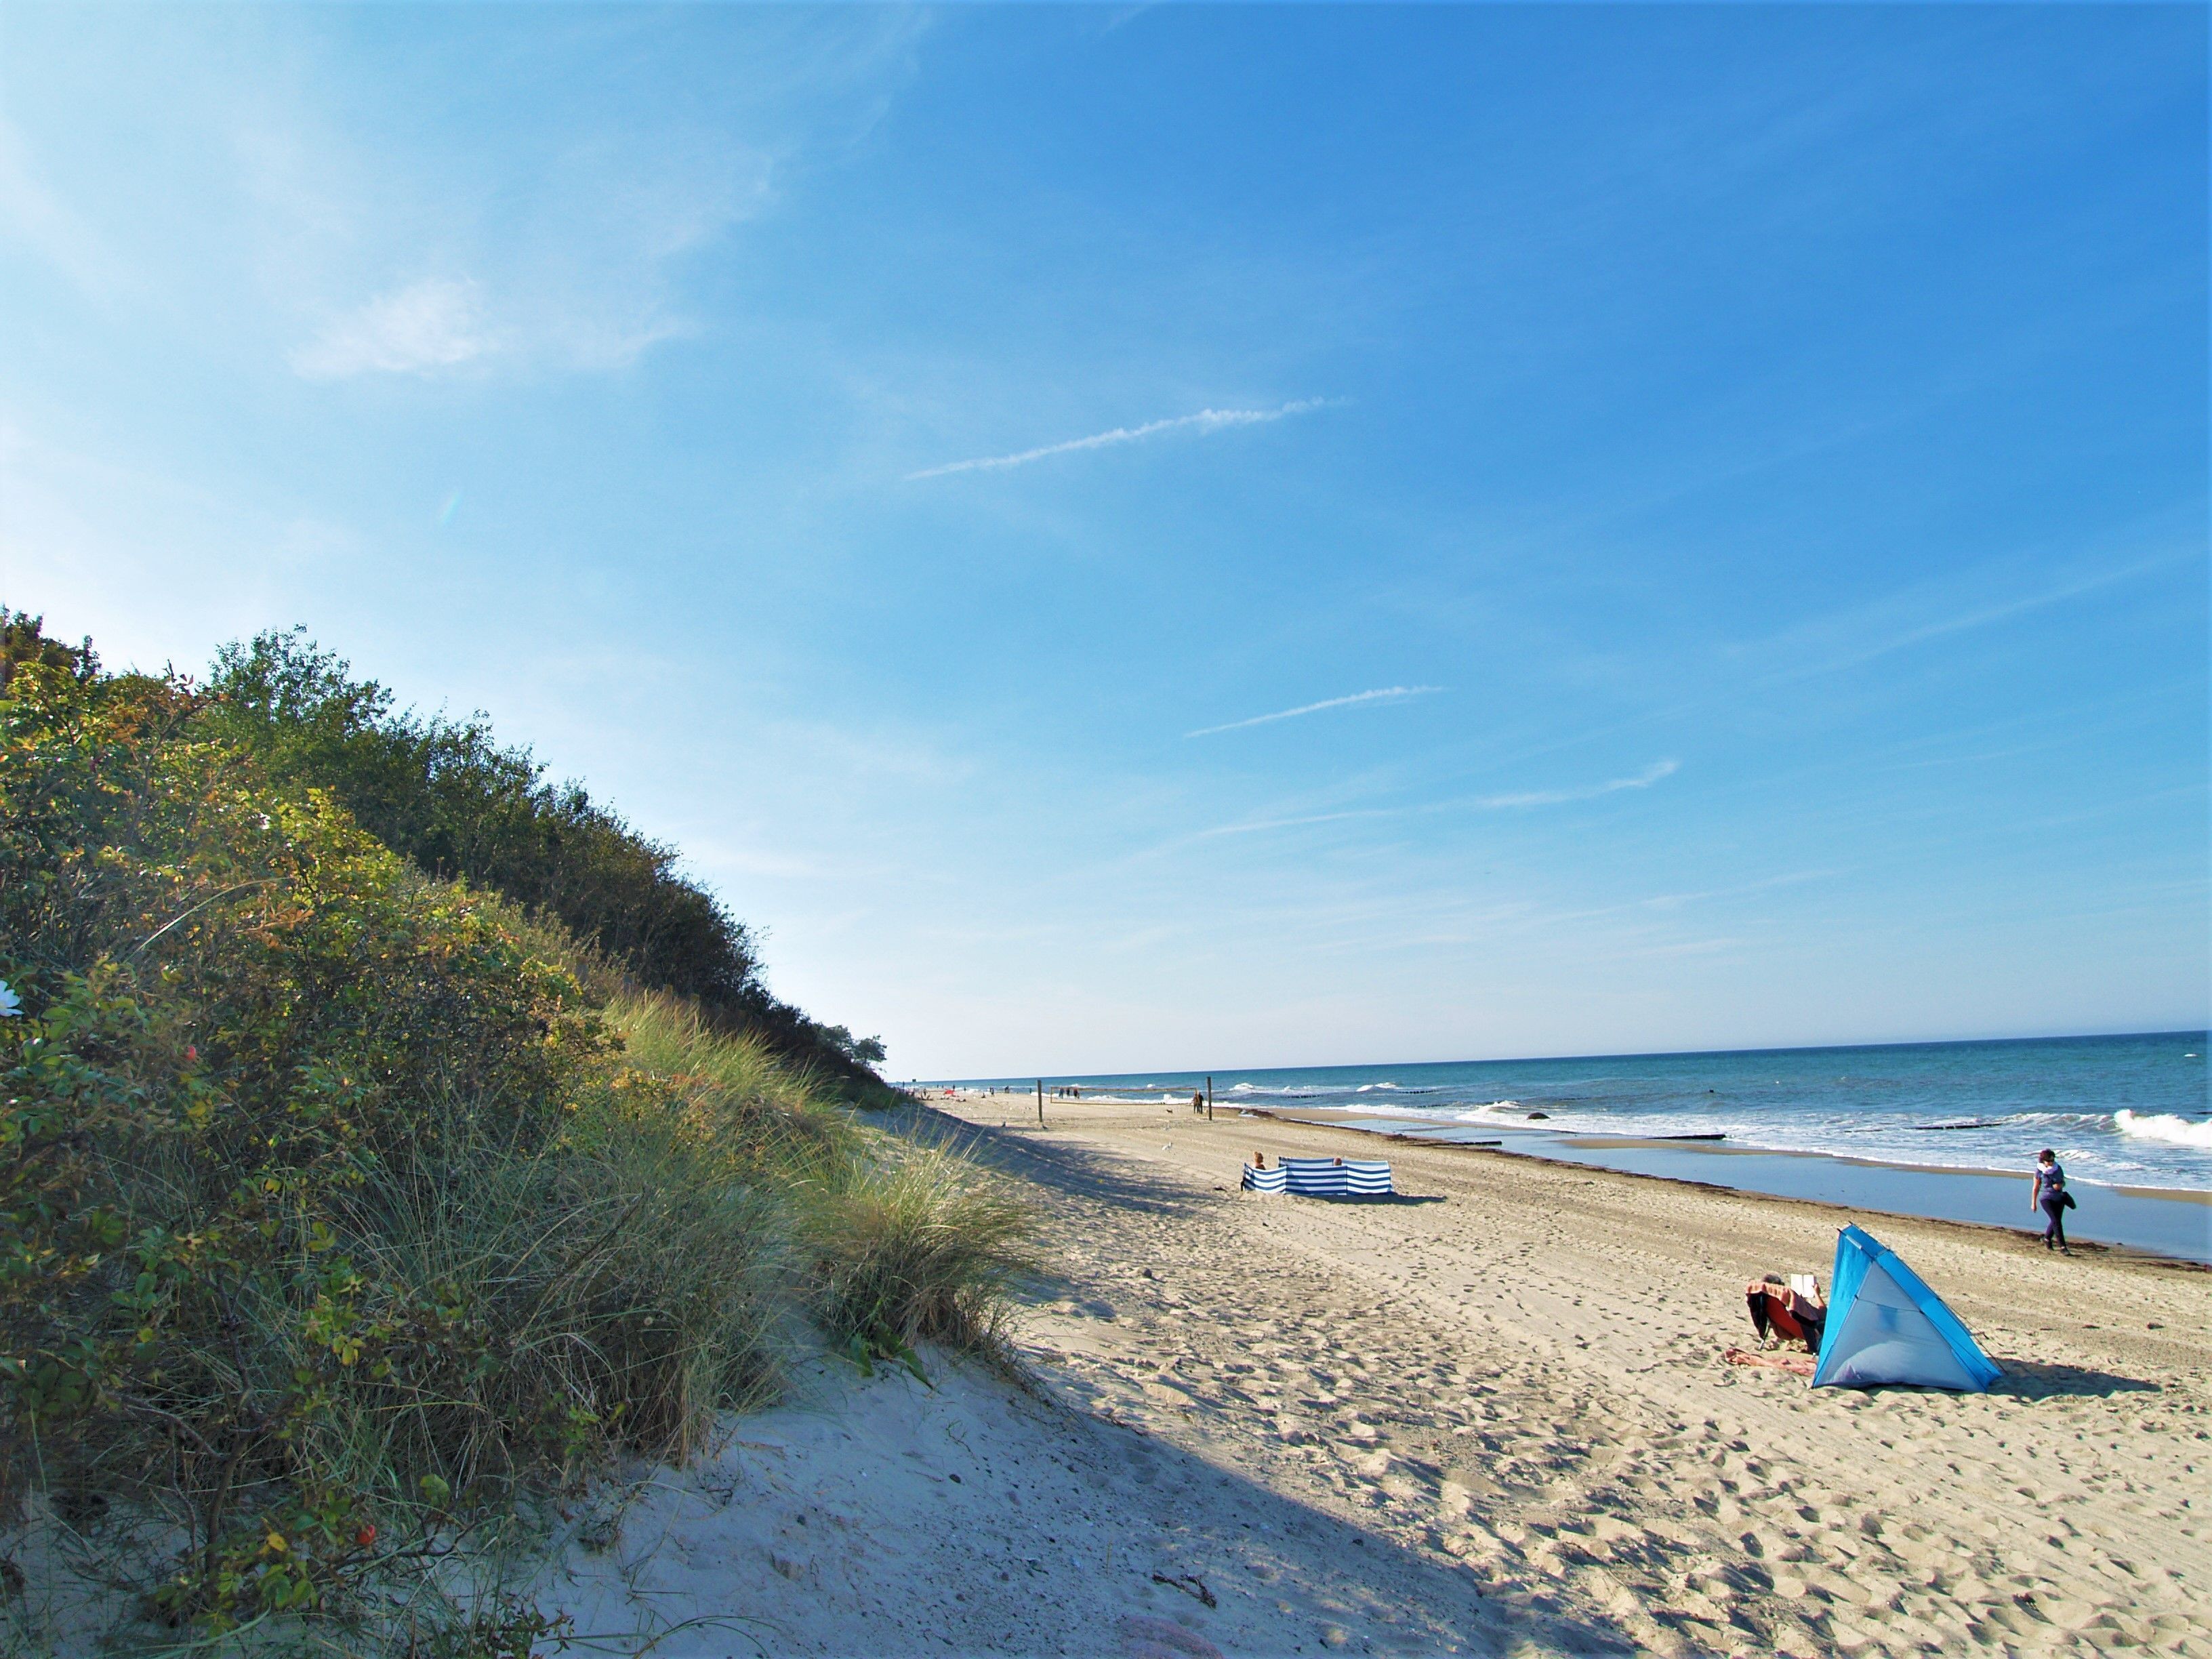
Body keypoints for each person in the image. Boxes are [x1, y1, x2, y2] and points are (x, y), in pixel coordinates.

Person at [2032, 1148, 2073, 1254]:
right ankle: (2063, 1247)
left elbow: (2063, 1182)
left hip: (2059, 1197)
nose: (2051, 1163)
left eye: (2052, 1160)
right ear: (2043, 1161)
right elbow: (2036, 1187)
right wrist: (2033, 1203)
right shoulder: (2039, 1171)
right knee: (2057, 1221)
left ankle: (2047, 1239)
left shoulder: (2058, 1168)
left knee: (2055, 1220)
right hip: (2046, 1198)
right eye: (2049, 1161)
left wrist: (2061, 1185)